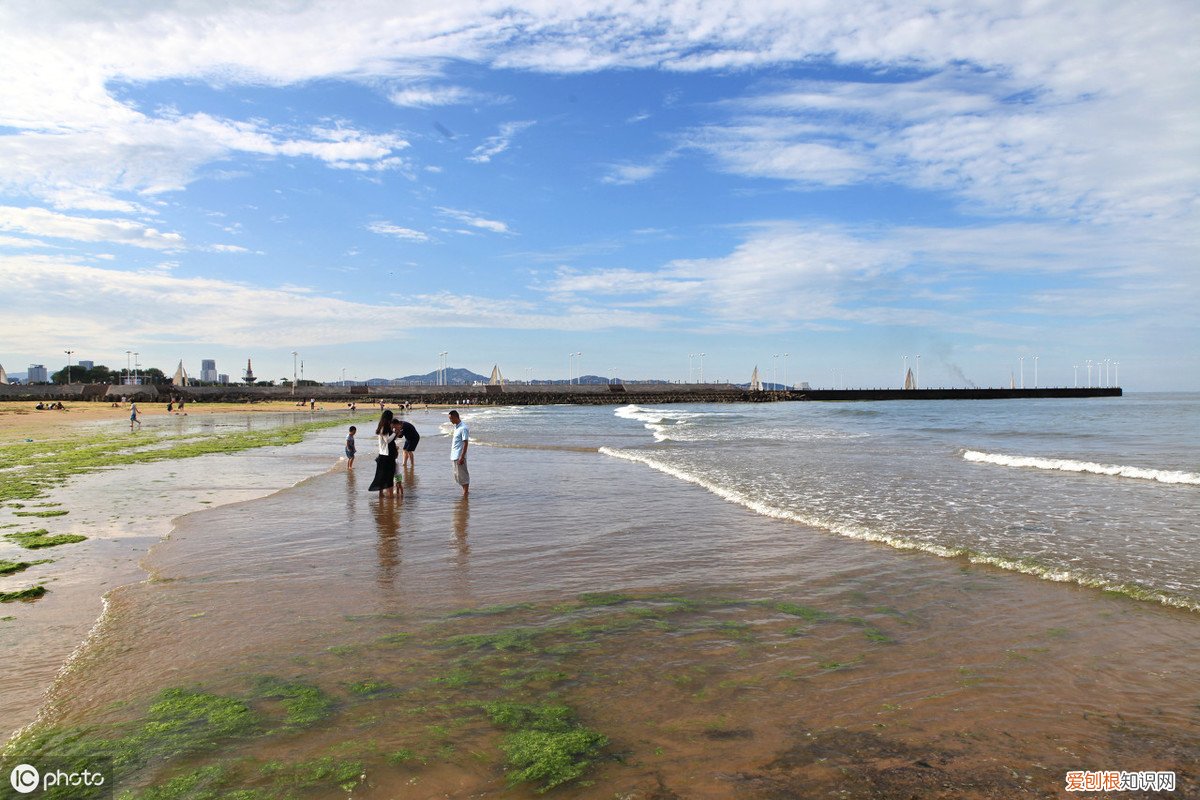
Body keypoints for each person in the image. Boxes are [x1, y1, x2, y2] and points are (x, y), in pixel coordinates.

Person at [367, 410, 397, 495]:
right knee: (388, 477)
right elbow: (387, 440)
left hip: (384, 455)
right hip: (386, 455)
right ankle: (390, 496)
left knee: (381, 476)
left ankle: (382, 496)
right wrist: (394, 433)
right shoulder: (384, 427)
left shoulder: (382, 426)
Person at [448, 409, 469, 497]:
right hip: (454, 455)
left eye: (451, 419)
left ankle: (465, 493)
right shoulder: (456, 427)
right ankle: (465, 491)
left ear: (455, 417)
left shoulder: (463, 428)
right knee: (458, 476)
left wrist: (462, 457)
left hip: (459, 456)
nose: (450, 421)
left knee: (463, 475)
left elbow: (465, 443)